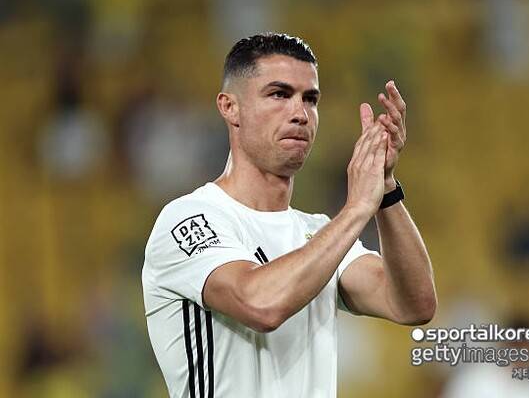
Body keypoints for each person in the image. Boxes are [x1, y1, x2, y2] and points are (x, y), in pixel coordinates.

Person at [142, 32, 437, 398]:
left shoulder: (318, 233)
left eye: (310, 99)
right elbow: (260, 304)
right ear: (230, 107)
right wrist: (357, 209)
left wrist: (386, 187)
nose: (300, 114)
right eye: (279, 94)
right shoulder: (188, 220)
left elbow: (413, 304)